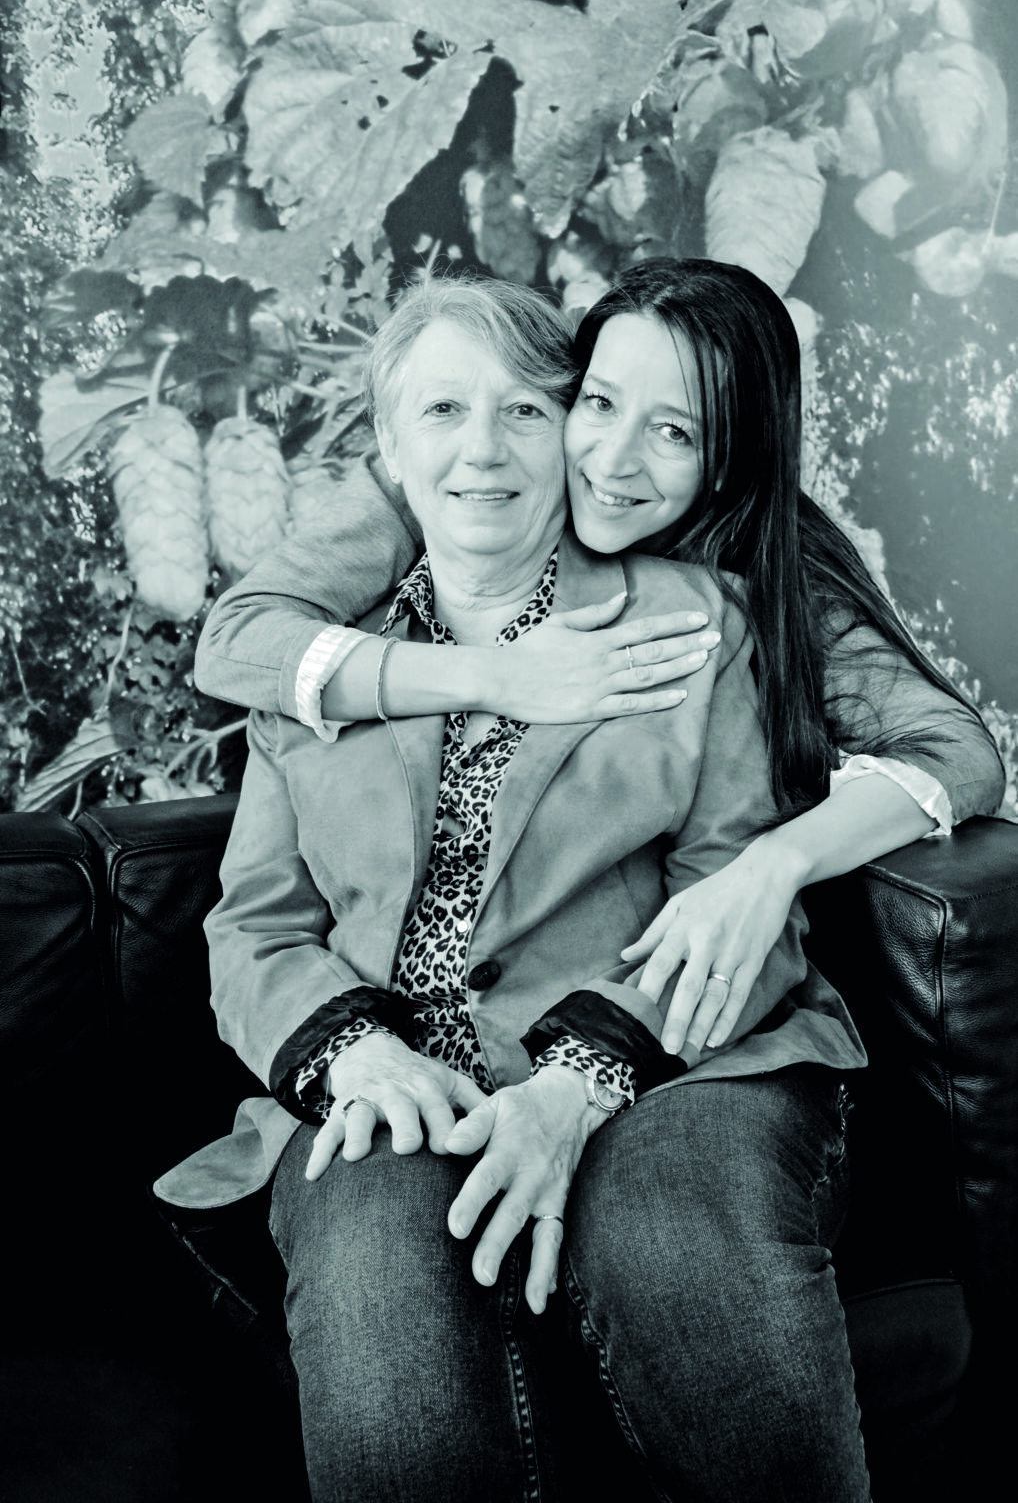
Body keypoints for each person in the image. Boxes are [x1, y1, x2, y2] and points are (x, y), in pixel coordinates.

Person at [158, 273, 880, 1502]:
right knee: (374, 1259)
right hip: (390, 1086)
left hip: (671, 1066)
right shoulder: (319, 667)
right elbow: (257, 928)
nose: (482, 449)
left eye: (524, 411)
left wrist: (577, 1081)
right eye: (441, 411)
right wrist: (355, 1058)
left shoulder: (694, 623)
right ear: (391, 454)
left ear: (569, 436)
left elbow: (733, 901)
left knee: (673, 1239)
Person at [192, 258, 1004, 1054]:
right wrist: (496, 677)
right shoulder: (448, 481)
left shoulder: (769, 590)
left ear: (732, 456)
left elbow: (960, 753)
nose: (614, 461)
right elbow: (238, 638)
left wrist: (772, 866)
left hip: (674, 1011)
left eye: (676, 431)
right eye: (600, 403)